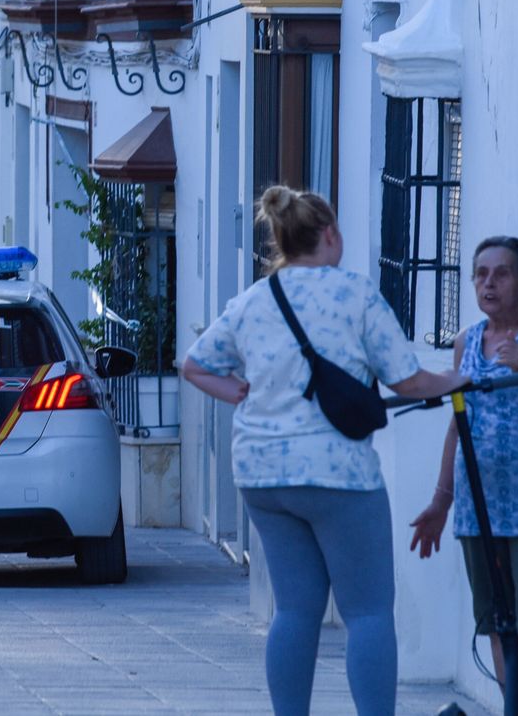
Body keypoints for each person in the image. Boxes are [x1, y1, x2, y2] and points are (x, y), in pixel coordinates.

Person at [182, 186, 461, 716]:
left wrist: (237, 391)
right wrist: (458, 378)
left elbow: (195, 365)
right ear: (329, 234)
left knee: (294, 609)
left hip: (263, 474)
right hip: (339, 474)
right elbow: (407, 380)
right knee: (369, 611)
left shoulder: (251, 301)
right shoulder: (354, 294)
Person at [408, 237, 518, 716]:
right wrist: (441, 502)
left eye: (502, 273)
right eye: (480, 273)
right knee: (502, 631)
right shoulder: (467, 341)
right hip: (479, 510)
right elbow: (458, 422)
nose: (488, 283)